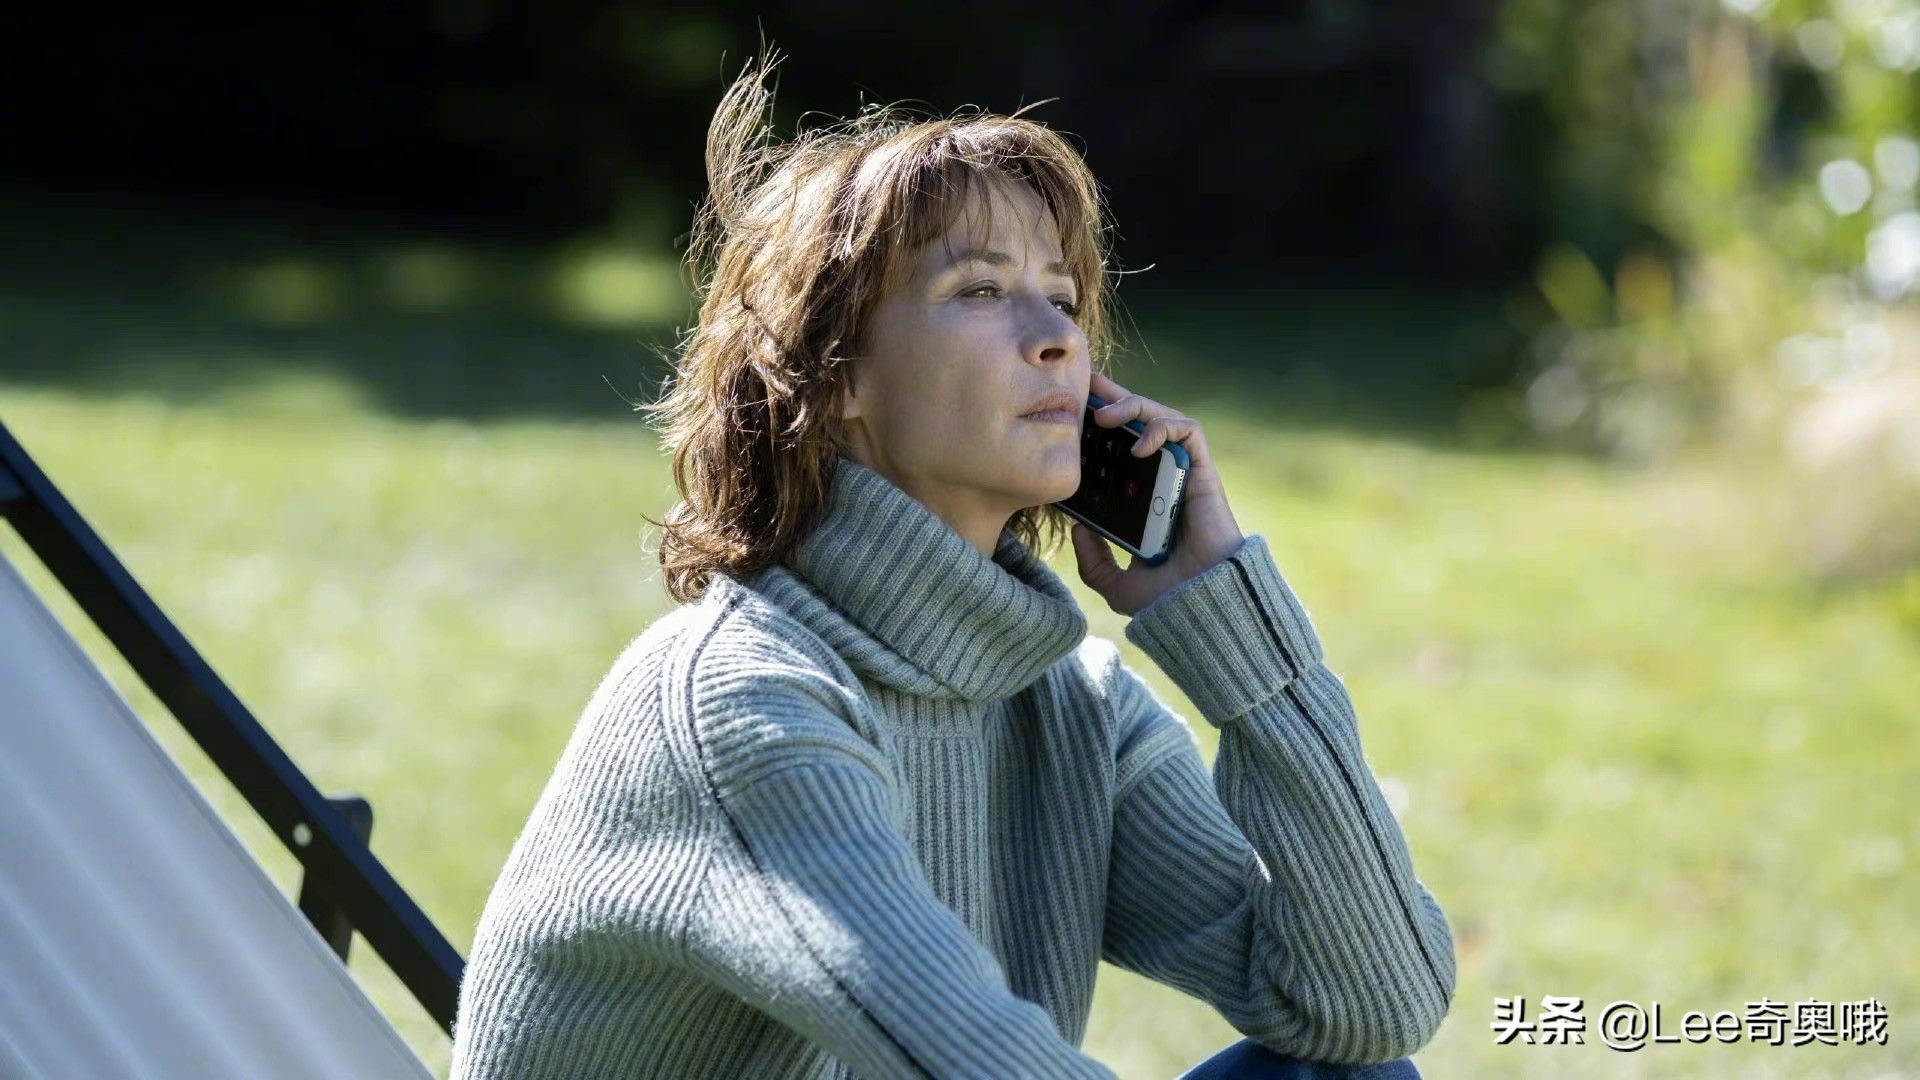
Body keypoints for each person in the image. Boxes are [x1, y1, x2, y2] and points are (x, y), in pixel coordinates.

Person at [449, 43, 1454, 1080]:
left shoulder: (1075, 709)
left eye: (1063, 297)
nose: (1056, 338)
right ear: (831, 374)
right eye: (979, 289)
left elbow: (1373, 1007)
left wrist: (1237, 637)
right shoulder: (741, 703)